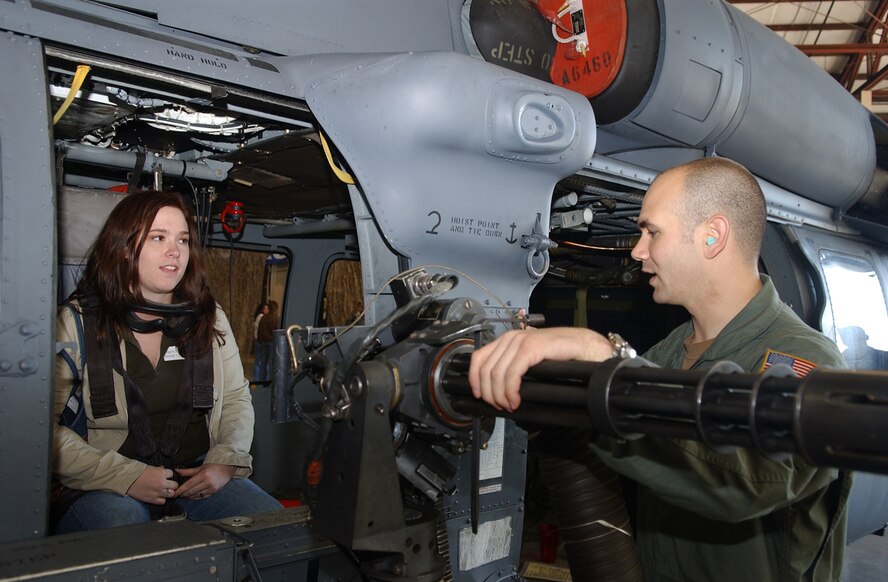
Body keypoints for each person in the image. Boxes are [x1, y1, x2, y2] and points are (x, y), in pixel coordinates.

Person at [470, 157, 850, 581]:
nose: (637, 251)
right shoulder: (671, 352)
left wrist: (604, 359)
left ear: (712, 236)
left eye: (652, 231)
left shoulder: (805, 363)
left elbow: (750, 479)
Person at [53, 191, 282, 533]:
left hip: (195, 474)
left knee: (276, 532)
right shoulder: (75, 323)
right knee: (130, 545)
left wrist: (225, 461)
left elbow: (235, 397)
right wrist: (127, 476)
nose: (175, 251)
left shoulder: (210, 318)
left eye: (183, 240)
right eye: (158, 238)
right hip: (106, 482)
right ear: (124, 246)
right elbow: (43, 430)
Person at [256, 300, 279, 382]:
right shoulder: (275, 318)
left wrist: (259, 339)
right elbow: (277, 330)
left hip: (263, 342)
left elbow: (259, 330)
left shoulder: (263, 318)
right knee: (271, 363)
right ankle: (270, 380)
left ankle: (261, 380)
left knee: (263, 363)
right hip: (272, 342)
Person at [252, 302, 269, 382]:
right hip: (259, 340)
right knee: (259, 361)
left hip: (259, 340)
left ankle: (259, 378)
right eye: (265, 308)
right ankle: (257, 378)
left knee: (260, 361)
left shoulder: (261, 317)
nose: (266, 310)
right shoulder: (261, 317)